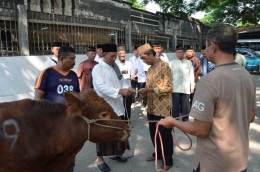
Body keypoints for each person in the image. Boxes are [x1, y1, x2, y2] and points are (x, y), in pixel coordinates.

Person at [158, 24, 256, 172]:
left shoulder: (209, 81)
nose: (205, 49)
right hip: (239, 161)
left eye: (206, 45)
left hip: (214, 163)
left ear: (213, 46)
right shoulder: (246, 76)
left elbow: (200, 130)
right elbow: (250, 117)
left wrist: (173, 122)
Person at [34, 45, 79, 171]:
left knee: (69, 155)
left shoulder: (74, 76)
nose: (74, 62)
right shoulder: (47, 73)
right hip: (51, 123)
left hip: (70, 123)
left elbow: (77, 96)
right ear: (62, 58)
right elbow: (38, 98)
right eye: (72, 58)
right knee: (52, 155)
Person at [92, 43, 132, 172]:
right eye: (112, 56)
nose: (114, 58)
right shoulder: (98, 69)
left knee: (117, 131)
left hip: (118, 105)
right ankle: (100, 160)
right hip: (105, 108)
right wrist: (119, 91)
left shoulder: (115, 66)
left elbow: (122, 81)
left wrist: (127, 87)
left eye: (115, 56)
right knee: (102, 133)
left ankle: (115, 153)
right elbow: (100, 88)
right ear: (103, 54)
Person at [138, 43, 173, 171]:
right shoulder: (150, 69)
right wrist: (144, 95)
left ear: (151, 54)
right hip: (151, 108)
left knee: (165, 136)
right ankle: (158, 154)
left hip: (163, 108)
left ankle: (168, 161)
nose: (143, 61)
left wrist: (149, 90)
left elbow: (168, 88)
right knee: (154, 134)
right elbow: (149, 88)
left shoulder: (165, 66)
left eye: (143, 58)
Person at [169, 45, 194, 122]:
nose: (178, 54)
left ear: (183, 53)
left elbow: (191, 74)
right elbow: (169, 75)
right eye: (177, 52)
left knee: (185, 105)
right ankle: (175, 118)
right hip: (175, 87)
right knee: (175, 104)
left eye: (180, 52)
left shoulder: (189, 63)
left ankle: (185, 118)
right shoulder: (172, 63)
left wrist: (192, 86)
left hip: (185, 87)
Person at [116, 46, 133, 120]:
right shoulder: (115, 64)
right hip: (119, 89)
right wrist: (121, 72)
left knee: (128, 106)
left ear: (125, 53)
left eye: (123, 53)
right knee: (120, 106)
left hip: (128, 88)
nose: (122, 55)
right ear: (117, 54)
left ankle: (127, 121)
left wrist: (132, 77)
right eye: (120, 53)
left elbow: (132, 74)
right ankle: (120, 122)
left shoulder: (129, 64)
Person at [185, 45, 200, 110]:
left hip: (193, 81)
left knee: (193, 97)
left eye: (191, 51)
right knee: (184, 96)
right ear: (186, 52)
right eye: (188, 51)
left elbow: (198, 70)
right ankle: (183, 110)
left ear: (193, 52)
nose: (189, 53)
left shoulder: (196, 60)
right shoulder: (183, 59)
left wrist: (195, 80)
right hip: (184, 81)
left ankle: (192, 109)